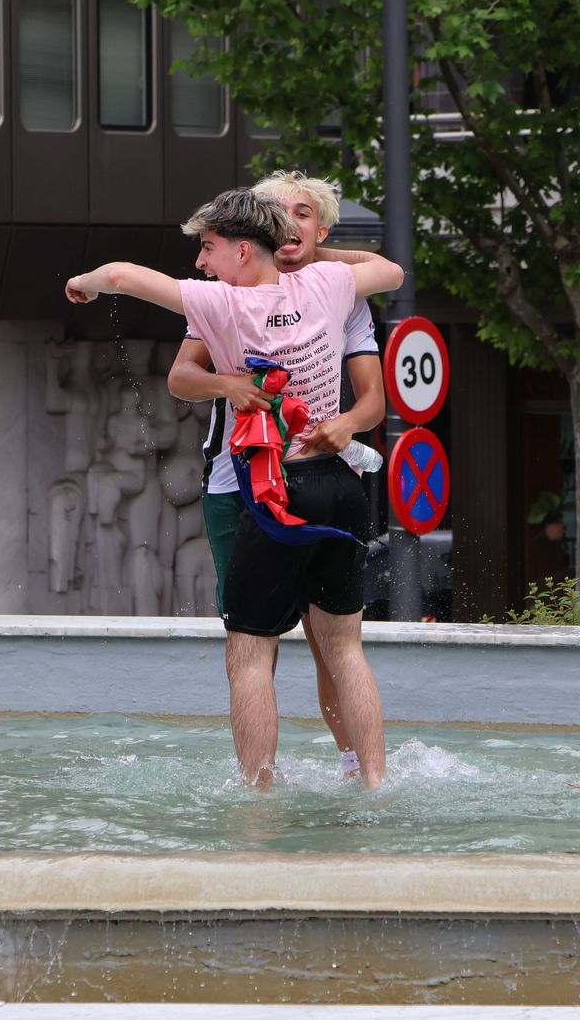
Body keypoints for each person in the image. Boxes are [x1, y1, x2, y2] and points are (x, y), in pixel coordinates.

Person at [64, 189, 402, 790]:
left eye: (209, 248)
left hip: (275, 492)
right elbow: (392, 270)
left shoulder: (219, 304)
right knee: (346, 649)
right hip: (339, 484)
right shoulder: (327, 287)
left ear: (243, 250)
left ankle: (258, 800)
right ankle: (377, 784)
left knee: (250, 653)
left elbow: (121, 275)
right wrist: (315, 253)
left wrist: (85, 281)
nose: (200, 262)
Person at [166, 171, 383, 779]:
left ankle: (341, 763)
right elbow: (181, 377)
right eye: (275, 215)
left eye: (302, 214)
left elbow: (373, 401)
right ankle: (297, 773)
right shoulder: (229, 292)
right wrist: (227, 386)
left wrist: (348, 424)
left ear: (322, 228)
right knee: (260, 638)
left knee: (320, 640)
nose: (289, 225)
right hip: (236, 484)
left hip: (312, 470)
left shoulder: (339, 291)